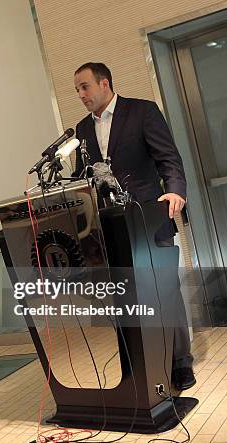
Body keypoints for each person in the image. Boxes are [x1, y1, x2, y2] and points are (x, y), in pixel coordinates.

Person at [72, 62, 195, 391]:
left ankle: (180, 362)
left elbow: (169, 158)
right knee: (129, 297)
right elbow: (81, 180)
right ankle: (141, 361)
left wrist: (176, 191)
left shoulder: (142, 112)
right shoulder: (82, 129)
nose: (81, 95)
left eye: (85, 87)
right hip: (113, 228)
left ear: (104, 83)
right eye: (77, 90)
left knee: (164, 291)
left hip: (150, 217)